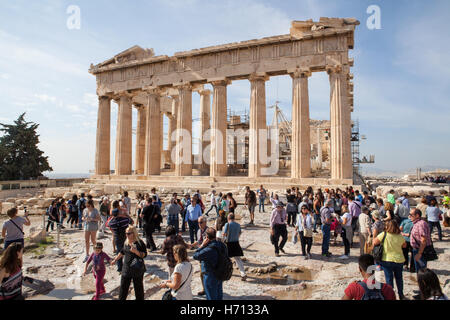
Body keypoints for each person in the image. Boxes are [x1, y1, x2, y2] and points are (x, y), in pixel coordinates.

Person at [371, 220, 407, 300]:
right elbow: (404, 245)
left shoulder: (384, 234)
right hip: (399, 259)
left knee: (389, 279)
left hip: (387, 259)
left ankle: (391, 296)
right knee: (399, 278)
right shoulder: (399, 236)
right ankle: (401, 294)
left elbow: (375, 242)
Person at [111, 226, 147, 300]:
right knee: (123, 289)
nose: (126, 235)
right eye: (126, 233)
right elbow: (122, 252)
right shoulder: (126, 242)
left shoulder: (140, 243)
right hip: (126, 269)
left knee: (138, 290)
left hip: (137, 269)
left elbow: (144, 255)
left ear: (134, 233)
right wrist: (115, 259)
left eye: (128, 233)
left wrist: (135, 251)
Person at [193, 227, 228, 300]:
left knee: (211, 297)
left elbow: (195, 255)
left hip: (210, 275)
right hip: (220, 273)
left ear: (207, 237)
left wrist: (202, 245)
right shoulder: (222, 245)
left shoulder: (209, 249)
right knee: (219, 296)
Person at [222, 213, 247, 281]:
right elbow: (239, 233)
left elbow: (224, 234)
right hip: (236, 243)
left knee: (225, 259)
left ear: (228, 218)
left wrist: (222, 241)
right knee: (238, 259)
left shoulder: (227, 224)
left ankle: (225, 272)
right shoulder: (238, 225)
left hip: (228, 243)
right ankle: (243, 274)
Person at [108, 201, 131, 272]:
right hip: (125, 237)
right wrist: (124, 215)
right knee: (127, 251)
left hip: (117, 238)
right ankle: (127, 266)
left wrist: (113, 217)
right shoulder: (124, 220)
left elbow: (108, 223)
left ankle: (119, 267)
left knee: (119, 252)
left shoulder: (112, 223)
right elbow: (129, 220)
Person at [409, 208, 432, 273]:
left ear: (417, 215)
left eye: (411, 215)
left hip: (420, 250)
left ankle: (422, 282)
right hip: (416, 249)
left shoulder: (421, 224)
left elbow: (423, 239)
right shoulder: (416, 223)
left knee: (421, 270)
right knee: (418, 269)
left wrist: (419, 253)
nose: (410, 216)